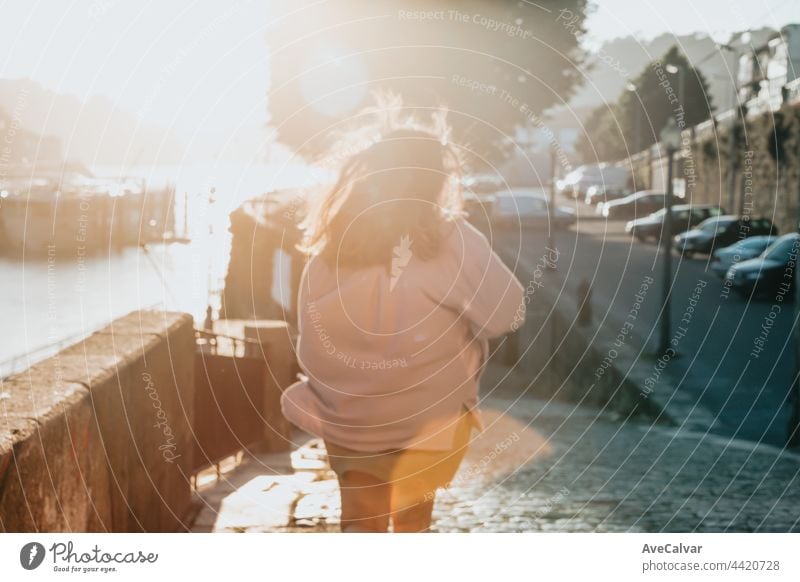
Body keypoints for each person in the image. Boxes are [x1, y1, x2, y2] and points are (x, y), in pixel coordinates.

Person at [280, 101, 524, 532]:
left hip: (350, 419)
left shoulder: (331, 251)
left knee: (359, 520)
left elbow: (310, 345)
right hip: (431, 419)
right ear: (435, 182)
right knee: (413, 524)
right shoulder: (452, 241)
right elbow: (508, 313)